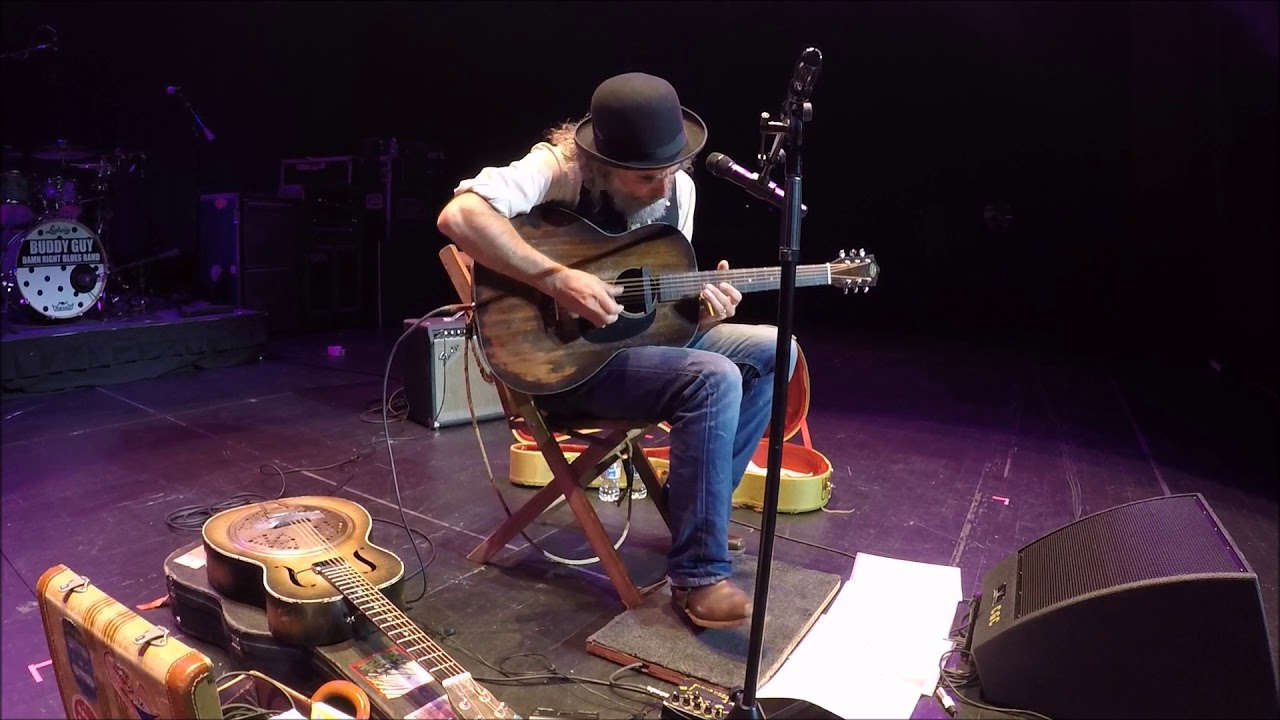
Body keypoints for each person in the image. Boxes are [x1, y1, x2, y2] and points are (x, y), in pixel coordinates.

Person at [436, 72, 794, 630]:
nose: (662, 186)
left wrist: (701, 308)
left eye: (670, 171)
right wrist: (556, 278)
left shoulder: (681, 191)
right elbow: (459, 217)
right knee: (712, 376)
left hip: (641, 350)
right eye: (645, 178)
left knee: (779, 349)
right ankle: (699, 574)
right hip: (563, 363)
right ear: (601, 162)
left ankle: (697, 506)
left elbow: (663, 302)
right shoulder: (558, 168)